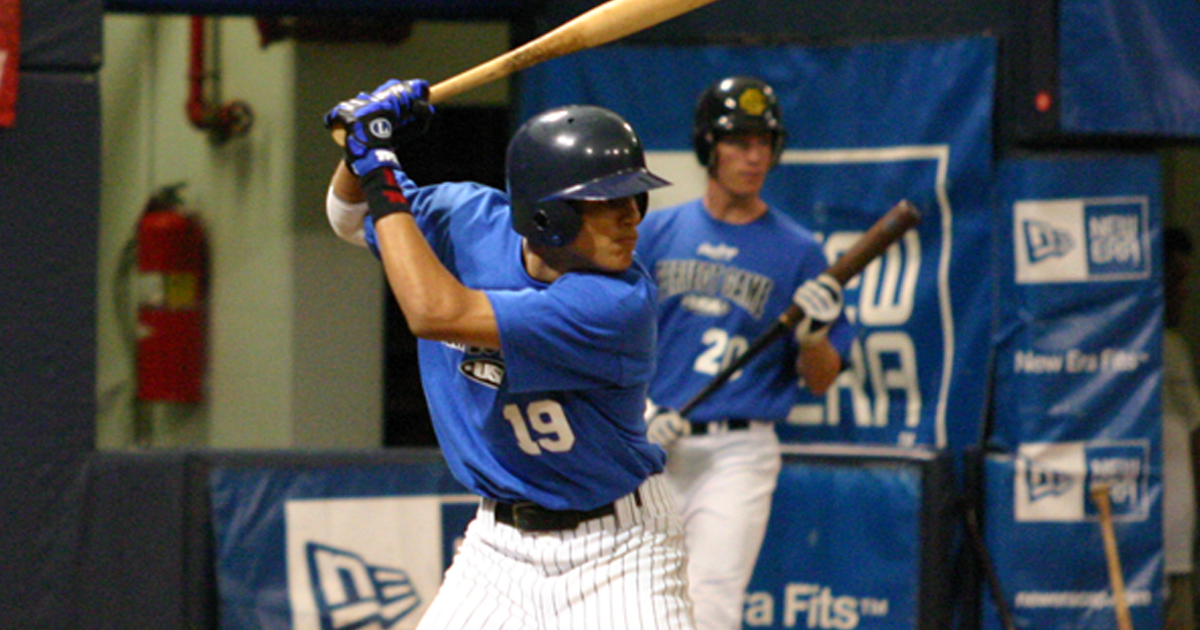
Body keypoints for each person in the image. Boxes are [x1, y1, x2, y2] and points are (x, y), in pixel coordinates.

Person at [322, 79, 695, 630]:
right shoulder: (465, 218)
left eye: (632, 197)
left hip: (619, 548)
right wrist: (364, 148)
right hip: (497, 550)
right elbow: (349, 215)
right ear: (547, 214)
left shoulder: (618, 304)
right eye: (605, 201)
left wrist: (375, 157)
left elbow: (434, 312)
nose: (631, 216)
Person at [637, 76, 854, 630]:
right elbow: (611, 339)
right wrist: (637, 415)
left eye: (765, 143)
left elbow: (823, 378)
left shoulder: (800, 250)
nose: (754, 156)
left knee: (710, 602)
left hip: (738, 450)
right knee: (636, 600)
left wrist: (813, 336)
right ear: (709, 145)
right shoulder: (656, 232)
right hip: (650, 440)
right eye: (739, 140)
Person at [1163, 225, 1200, 630]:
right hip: (1157, 546)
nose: (1184, 292)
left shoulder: (1173, 347)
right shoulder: (1167, 348)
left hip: (1176, 545)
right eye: (1176, 280)